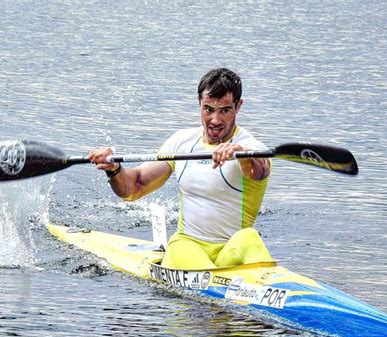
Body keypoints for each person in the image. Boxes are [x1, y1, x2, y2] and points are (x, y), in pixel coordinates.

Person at [89, 68, 273, 270]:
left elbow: (259, 170)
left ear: (238, 106)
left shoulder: (251, 146)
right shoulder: (181, 142)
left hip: (230, 250)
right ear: (199, 104)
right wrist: (114, 168)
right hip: (187, 246)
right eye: (208, 109)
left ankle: (276, 287)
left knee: (249, 237)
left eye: (225, 110)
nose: (215, 120)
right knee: (182, 248)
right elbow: (133, 187)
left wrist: (241, 153)